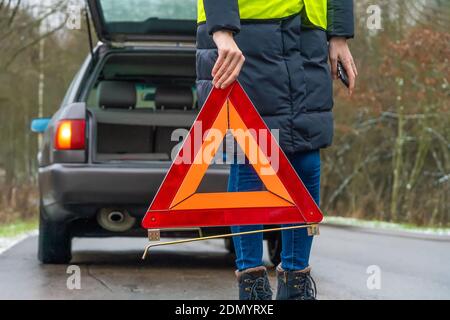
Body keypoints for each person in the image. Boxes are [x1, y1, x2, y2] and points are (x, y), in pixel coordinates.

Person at [196, 0, 357, 300]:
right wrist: (220, 30)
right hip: (245, 34)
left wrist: (338, 35)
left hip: (307, 33)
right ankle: (252, 287)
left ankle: (295, 286)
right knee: (249, 158)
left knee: (306, 158)